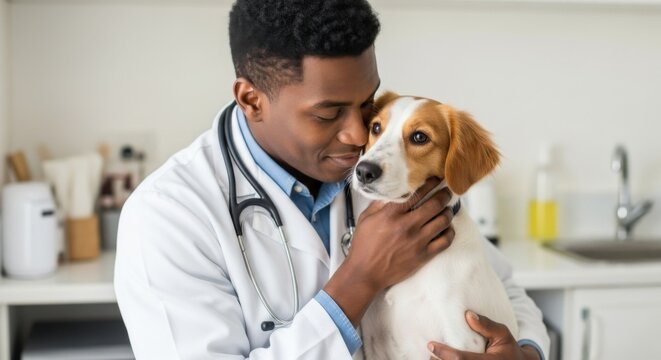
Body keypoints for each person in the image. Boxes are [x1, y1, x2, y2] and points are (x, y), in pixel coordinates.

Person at [114, 0, 550, 359]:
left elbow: (499, 285)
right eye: (328, 113)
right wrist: (360, 279)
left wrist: (524, 353)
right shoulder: (168, 216)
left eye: (367, 106)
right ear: (252, 99)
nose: (360, 137)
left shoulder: (387, 176)